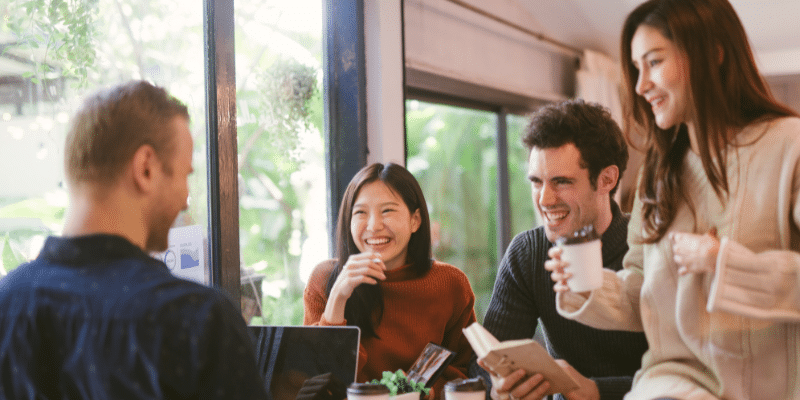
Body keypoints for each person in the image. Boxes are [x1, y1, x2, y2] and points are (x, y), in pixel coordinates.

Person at [546, 0, 800, 399]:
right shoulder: (658, 173)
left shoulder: (790, 146)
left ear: (712, 54)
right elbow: (642, 293)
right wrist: (586, 287)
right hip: (672, 386)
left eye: (654, 62)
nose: (640, 84)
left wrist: (723, 264)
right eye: (636, 68)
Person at [0, 81, 269, 399]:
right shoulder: (198, 321)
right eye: (184, 175)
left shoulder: (7, 305)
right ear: (146, 168)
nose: (185, 201)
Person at [472, 99, 648, 400]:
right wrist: (498, 388)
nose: (544, 199)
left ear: (607, 179)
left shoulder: (649, 247)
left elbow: (688, 376)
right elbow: (487, 367)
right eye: (536, 182)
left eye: (561, 182)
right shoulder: (527, 254)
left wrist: (597, 391)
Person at [303, 162, 477, 399]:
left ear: (415, 220)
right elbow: (314, 382)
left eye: (387, 211)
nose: (374, 226)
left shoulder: (450, 283)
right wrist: (338, 298)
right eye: (360, 213)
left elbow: (465, 373)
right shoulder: (324, 279)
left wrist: (418, 393)